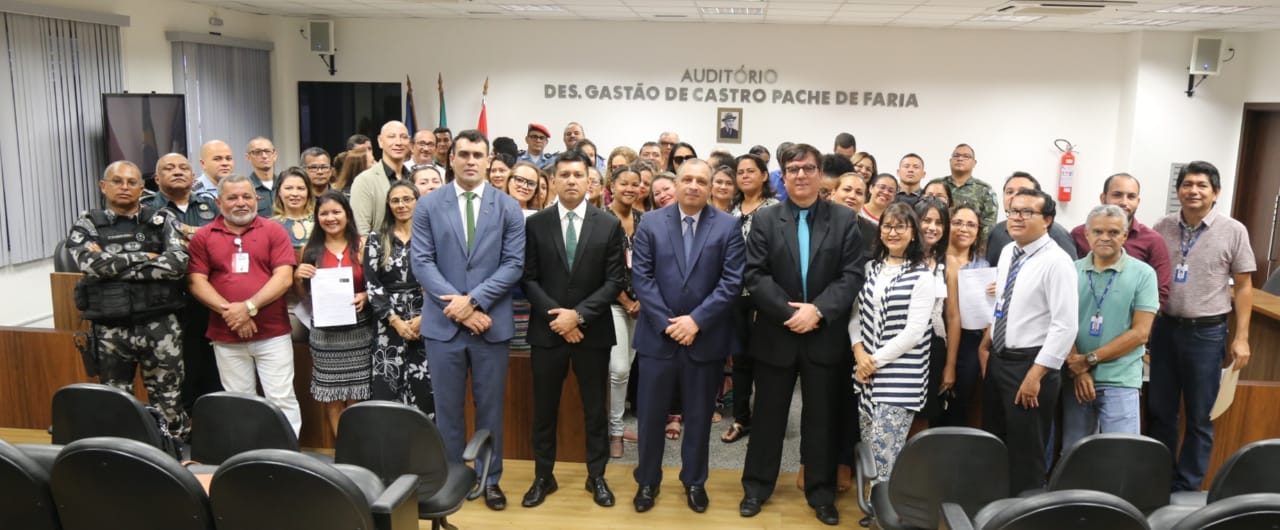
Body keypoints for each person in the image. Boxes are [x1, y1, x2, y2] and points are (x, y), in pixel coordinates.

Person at [739, 144, 866, 526]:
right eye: (792, 168)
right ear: (783, 174)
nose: (800, 174)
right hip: (777, 333)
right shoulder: (765, 219)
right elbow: (755, 274)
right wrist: (789, 313)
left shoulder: (844, 220)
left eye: (808, 168)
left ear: (819, 172)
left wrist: (819, 311)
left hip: (824, 335)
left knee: (821, 419)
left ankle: (821, 492)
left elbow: (851, 275)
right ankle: (757, 487)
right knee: (768, 416)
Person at [410, 129, 525, 511]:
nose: (471, 160)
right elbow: (422, 262)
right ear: (452, 159)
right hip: (444, 328)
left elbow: (513, 265)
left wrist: (473, 302)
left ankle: (491, 479)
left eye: (478, 154)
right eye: (464, 154)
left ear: (490, 159)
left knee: (491, 409)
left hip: (490, 325)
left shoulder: (507, 207)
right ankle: (452, 477)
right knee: (448, 409)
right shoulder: (428, 205)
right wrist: (458, 307)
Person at [631, 158, 744, 515]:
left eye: (701, 180)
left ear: (711, 187)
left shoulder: (728, 226)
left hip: (704, 339)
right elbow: (642, 279)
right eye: (688, 179)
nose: (694, 186)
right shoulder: (649, 223)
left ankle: (694, 480)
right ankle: (647, 481)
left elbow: (731, 282)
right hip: (657, 338)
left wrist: (695, 321)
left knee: (698, 416)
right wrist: (669, 323)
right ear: (675, 183)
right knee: (650, 416)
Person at [520, 150, 626, 509]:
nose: (570, 180)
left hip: (591, 332)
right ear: (553, 180)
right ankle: (542, 476)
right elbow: (528, 278)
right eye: (563, 174)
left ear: (589, 180)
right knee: (544, 409)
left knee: (595, 409)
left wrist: (577, 316)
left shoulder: (608, 224)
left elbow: (615, 281)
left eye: (577, 175)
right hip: (547, 333)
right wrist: (559, 319)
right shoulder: (535, 224)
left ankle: (596, 476)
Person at [1150, 160, 1255, 492]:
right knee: (1160, 411)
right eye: (1187, 184)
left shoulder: (1233, 230)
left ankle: (1187, 487)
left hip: (1206, 334)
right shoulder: (1162, 226)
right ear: (1179, 190)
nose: (1193, 191)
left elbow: (1244, 286)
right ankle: (1158, 480)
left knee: (1199, 416)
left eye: (1202, 186)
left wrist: (1241, 337)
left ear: (1216, 193)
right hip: (1164, 330)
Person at [67, 160, 190, 438]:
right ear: (103, 186)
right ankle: (125, 461)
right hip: (111, 328)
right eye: (117, 181)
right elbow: (91, 265)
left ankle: (173, 460)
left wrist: (116, 264)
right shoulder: (88, 223)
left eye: (132, 182)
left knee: (169, 400)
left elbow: (177, 263)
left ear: (141, 187)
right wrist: (146, 258)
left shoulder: (161, 220)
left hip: (160, 326)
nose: (124, 187)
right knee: (116, 402)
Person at [978, 189, 1078, 494]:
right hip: (1000, 360)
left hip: (1030, 367)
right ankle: (994, 512)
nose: (1017, 218)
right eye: (1013, 211)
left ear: (1047, 220)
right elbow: (1006, 302)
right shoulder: (1010, 251)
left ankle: (1025, 514)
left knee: (1027, 452)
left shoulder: (1057, 262)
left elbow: (1065, 326)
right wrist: (988, 343)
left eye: (1026, 212)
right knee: (994, 443)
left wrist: (1036, 375)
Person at [188, 174, 301, 434]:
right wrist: (233, 313)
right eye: (232, 197)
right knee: (239, 401)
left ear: (257, 199)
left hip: (272, 333)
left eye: (247, 196)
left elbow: (283, 278)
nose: (241, 203)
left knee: (281, 398)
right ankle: (249, 458)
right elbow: (196, 282)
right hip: (226, 335)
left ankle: (286, 457)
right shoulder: (204, 236)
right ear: (218, 202)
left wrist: (248, 307)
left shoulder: (274, 230)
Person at [1060, 205, 1158, 451]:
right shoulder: (1071, 271)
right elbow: (1060, 322)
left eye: (1114, 232)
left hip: (1120, 380)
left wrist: (1089, 360)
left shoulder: (1144, 274)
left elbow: (1140, 333)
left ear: (1125, 236)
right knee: (1075, 455)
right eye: (1098, 231)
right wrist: (1079, 369)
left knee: (1121, 455)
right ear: (1086, 234)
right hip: (1076, 379)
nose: (1105, 237)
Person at [852, 202, 935, 487]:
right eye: (887, 225)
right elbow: (855, 315)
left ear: (913, 233)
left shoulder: (923, 275)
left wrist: (871, 361)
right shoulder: (869, 268)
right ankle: (874, 505)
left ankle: (885, 509)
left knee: (886, 449)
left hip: (900, 376)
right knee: (870, 446)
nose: (893, 232)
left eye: (901, 226)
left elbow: (914, 332)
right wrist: (859, 352)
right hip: (866, 373)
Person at [294, 191, 373, 437]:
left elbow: (377, 283)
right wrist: (298, 277)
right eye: (324, 213)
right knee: (332, 395)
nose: (331, 218)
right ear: (317, 218)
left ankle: (358, 450)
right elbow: (303, 295)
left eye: (336, 212)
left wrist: (367, 295)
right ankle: (343, 451)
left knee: (357, 395)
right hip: (326, 333)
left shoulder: (363, 245)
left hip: (359, 329)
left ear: (347, 215)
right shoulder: (311, 249)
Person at [148, 153, 222, 410]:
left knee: (209, 364)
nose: (177, 172)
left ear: (193, 176)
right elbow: (156, 254)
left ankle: (211, 417)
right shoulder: (147, 210)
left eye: (183, 168)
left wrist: (183, 236)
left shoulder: (210, 206)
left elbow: (219, 244)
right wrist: (197, 236)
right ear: (157, 178)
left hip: (207, 297)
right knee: (175, 368)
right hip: (166, 300)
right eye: (169, 168)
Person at [721, 153, 780, 446]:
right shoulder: (731, 209)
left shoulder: (775, 209)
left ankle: (768, 420)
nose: (744, 176)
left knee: (765, 360)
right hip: (733, 295)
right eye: (740, 172)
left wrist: (766, 298)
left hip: (763, 296)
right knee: (741, 359)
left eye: (751, 171)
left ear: (764, 176)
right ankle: (741, 418)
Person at [365, 181, 433, 418]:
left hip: (426, 319)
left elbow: (441, 279)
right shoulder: (376, 239)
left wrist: (426, 317)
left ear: (417, 201)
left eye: (407, 199)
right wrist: (395, 321)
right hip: (388, 323)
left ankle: (425, 449)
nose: (401, 205)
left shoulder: (431, 236)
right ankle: (389, 451)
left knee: (425, 390)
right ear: (388, 204)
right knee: (387, 388)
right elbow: (372, 285)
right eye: (395, 200)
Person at [1069, 172, 1172, 307]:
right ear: (1103, 197)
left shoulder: (1152, 240)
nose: (1124, 202)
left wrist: (1139, 321)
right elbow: (1068, 280)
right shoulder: (1080, 234)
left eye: (1131, 197)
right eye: (1117, 195)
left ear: (1138, 201)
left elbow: (1161, 292)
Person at [935, 203, 989, 427]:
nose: (963, 229)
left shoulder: (983, 266)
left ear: (978, 231)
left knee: (961, 402)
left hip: (970, 342)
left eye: (971, 224)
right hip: (936, 338)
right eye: (957, 223)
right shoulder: (933, 260)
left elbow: (989, 315)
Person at [606, 165, 644, 456]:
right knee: (617, 370)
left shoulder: (644, 220)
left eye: (636, 184)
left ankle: (615, 423)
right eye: (624, 184)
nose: (630, 189)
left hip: (642, 305)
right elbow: (599, 269)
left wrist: (642, 300)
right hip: (612, 304)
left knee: (628, 367)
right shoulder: (601, 219)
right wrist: (626, 301)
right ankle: (615, 431)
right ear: (612, 185)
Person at [915, 198, 961, 426]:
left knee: (924, 416)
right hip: (898, 347)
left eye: (939, 223)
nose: (932, 227)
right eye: (926, 220)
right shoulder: (898, 255)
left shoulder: (948, 263)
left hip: (933, 348)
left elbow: (952, 317)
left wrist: (950, 366)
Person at [985, 172, 1078, 266]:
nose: (1015, 197)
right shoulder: (997, 232)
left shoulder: (1057, 234)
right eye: (1009, 192)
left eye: (1023, 192)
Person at [271, 168, 317, 340]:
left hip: (320, 300)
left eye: (300, 188)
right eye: (289, 188)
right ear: (279, 192)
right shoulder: (269, 226)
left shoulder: (323, 221)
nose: (295, 194)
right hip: (284, 304)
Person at [352, 121, 413, 235]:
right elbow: (361, 231)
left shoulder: (414, 177)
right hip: (381, 250)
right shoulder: (365, 180)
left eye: (404, 137)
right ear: (380, 141)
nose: (398, 142)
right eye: (391, 137)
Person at [928, 144, 998, 236]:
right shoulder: (936, 185)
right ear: (950, 161)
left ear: (974, 163)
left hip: (969, 243)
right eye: (956, 156)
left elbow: (989, 226)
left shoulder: (985, 190)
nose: (960, 159)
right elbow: (924, 213)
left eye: (966, 156)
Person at [830, 172, 878, 251]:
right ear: (833, 193)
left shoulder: (873, 232)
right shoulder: (816, 222)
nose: (852, 196)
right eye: (847, 190)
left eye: (859, 193)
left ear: (864, 199)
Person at [244, 137, 278, 218]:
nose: (264, 156)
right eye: (257, 152)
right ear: (248, 157)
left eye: (267, 151)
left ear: (275, 155)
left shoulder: (285, 185)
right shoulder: (245, 188)